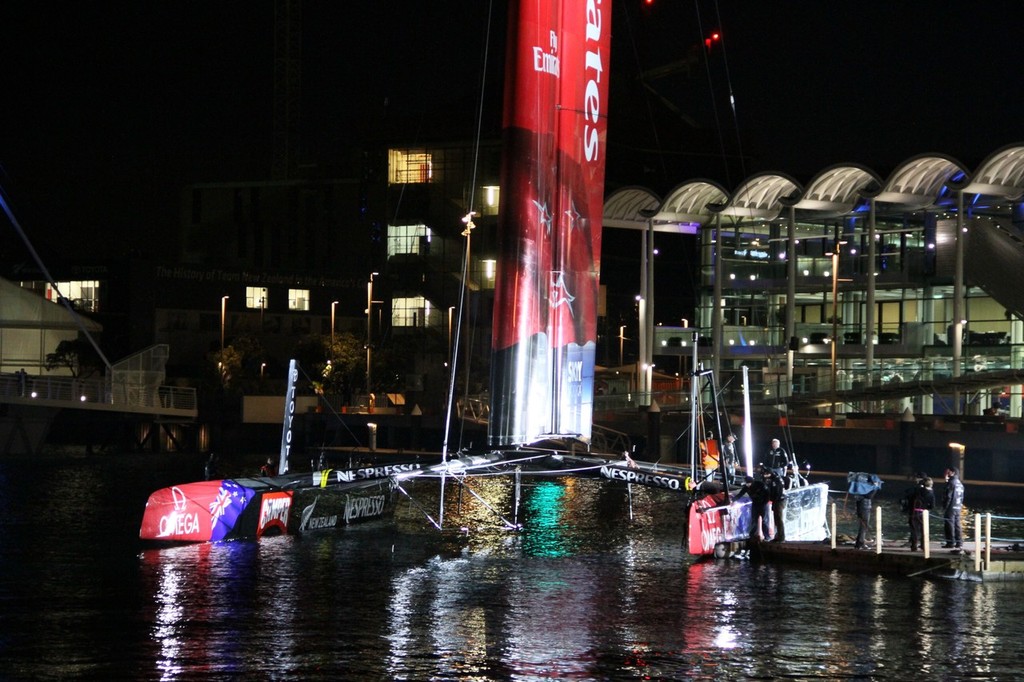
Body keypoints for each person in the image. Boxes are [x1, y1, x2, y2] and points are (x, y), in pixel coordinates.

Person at [735, 474, 771, 542]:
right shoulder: (746, 487)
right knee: (754, 520)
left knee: (764, 521)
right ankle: (752, 535)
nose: (747, 485)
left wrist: (765, 502)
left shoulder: (760, 484)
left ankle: (767, 536)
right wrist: (733, 500)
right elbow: (740, 494)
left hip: (763, 504)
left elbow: (767, 493)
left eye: (748, 483)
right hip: (755, 504)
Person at [908, 476, 935, 552]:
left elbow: (911, 497)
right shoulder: (931, 494)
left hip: (915, 512)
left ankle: (914, 546)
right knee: (924, 529)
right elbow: (932, 506)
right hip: (924, 513)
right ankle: (923, 545)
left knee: (914, 530)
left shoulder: (918, 491)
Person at [942, 467, 965, 550]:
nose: (946, 473)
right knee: (957, 525)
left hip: (950, 507)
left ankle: (950, 542)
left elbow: (948, 496)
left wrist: (945, 506)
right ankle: (959, 542)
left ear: (952, 472)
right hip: (958, 506)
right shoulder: (960, 483)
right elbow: (962, 497)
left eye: (948, 472)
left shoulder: (951, 483)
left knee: (949, 525)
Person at [765, 468, 786, 542]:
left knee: (779, 520)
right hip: (777, 501)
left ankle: (781, 537)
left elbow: (777, 492)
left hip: (779, 501)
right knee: (777, 520)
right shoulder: (776, 479)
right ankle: (778, 536)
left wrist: (772, 498)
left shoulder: (775, 481)